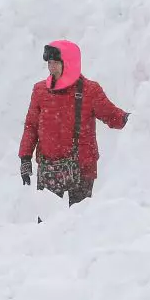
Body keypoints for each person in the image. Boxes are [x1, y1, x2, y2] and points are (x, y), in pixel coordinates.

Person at [19, 41, 129, 207]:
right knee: (45, 222)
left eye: (56, 63)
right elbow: (31, 126)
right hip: (50, 168)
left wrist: (135, 121)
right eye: (49, 63)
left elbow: (112, 115)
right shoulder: (40, 91)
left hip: (82, 167)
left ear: (69, 64)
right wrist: (25, 158)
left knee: (79, 223)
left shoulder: (90, 91)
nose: (51, 67)